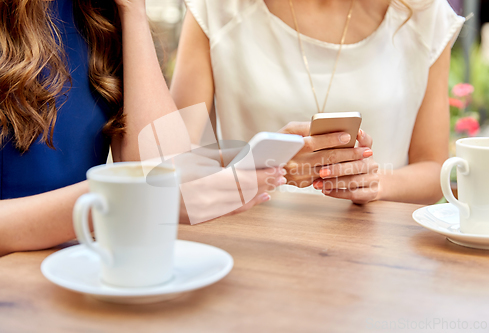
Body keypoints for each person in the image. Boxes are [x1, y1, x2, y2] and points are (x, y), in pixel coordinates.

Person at [0, 0, 282, 256]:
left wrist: (133, 11)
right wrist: (118, 199)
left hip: (84, 267)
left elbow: (163, 168)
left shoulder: (97, 12)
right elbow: (158, 189)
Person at [171, 0, 465, 205]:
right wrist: (261, 161)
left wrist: (375, 182)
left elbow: (433, 166)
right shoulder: (217, 8)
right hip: (251, 241)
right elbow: (172, 157)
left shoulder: (423, 12)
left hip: (379, 253)